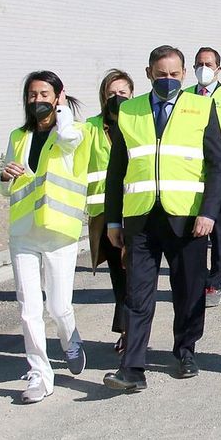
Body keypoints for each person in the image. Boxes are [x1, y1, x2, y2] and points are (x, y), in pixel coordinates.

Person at [102, 46, 221, 392]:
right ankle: (132, 367)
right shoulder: (130, 110)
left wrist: (208, 211)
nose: (168, 80)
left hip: (187, 218)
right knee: (138, 294)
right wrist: (113, 221)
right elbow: (117, 171)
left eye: (174, 75)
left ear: (184, 74)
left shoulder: (201, 107)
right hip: (141, 219)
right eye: (161, 74)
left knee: (188, 291)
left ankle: (185, 350)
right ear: (148, 73)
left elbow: (218, 164)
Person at [1, 71, 89, 404]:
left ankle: (69, 339)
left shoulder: (76, 131)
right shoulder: (18, 136)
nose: (38, 100)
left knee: (58, 306)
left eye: (44, 94)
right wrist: (6, 177)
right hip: (23, 231)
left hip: (59, 231)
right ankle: (40, 374)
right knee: (28, 307)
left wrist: (63, 111)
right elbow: (6, 188)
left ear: (57, 96)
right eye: (32, 95)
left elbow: (66, 139)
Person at [86, 69, 134, 351]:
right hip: (105, 216)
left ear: (132, 94)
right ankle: (128, 330)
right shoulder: (92, 127)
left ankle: (130, 332)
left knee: (135, 275)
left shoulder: (140, 122)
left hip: (136, 211)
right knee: (119, 274)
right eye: (111, 94)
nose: (117, 98)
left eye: (123, 93)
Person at [188, 47, 221, 309]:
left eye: (208, 64)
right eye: (199, 64)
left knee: (219, 231)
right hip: (192, 173)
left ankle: (215, 279)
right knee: (195, 231)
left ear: (218, 68)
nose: (203, 68)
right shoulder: (185, 98)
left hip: (220, 171)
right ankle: (197, 278)